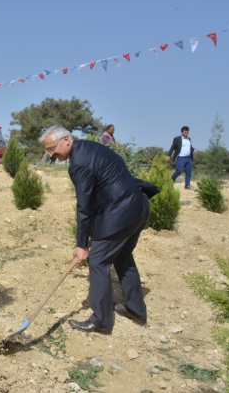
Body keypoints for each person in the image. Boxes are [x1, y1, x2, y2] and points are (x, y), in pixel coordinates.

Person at [40, 125, 152, 334]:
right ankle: (136, 309)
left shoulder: (79, 163)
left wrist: (82, 245)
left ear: (66, 140)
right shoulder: (89, 148)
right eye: (47, 150)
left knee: (98, 261)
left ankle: (101, 320)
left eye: (52, 148)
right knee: (123, 256)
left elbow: (85, 206)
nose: (51, 154)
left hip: (120, 212)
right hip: (138, 206)